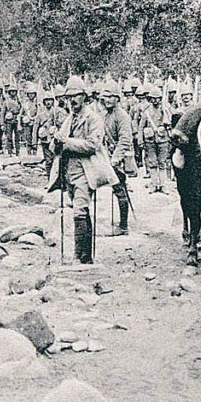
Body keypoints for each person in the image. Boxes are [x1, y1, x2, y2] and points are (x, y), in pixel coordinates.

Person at [50, 76, 119, 264]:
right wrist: (55, 142)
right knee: (80, 210)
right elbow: (56, 143)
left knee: (79, 210)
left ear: (84, 97)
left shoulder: (94, 118)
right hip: (69, 171)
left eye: (76, 96)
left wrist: (66, 142)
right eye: (69, 97)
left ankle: (81, 257)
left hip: (86, 171)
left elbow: (92, 144)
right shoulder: (69, 118)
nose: (72, 100)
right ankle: (83, 255)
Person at [100, 79, 136, 235]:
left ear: (117, 98)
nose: (107, 100)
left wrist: (115, 159)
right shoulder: (106, 115)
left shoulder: (122, 116)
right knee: (116, 190)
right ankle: (122, 223)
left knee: (120, 190)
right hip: (108, 157)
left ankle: (123, 226)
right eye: (105, 97)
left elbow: (125, 140)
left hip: (119, 160)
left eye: (111, 97)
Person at [139, 84, 171, 193]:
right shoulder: (146, 111)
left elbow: (170, 124)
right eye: (154, 98)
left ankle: (163, 185)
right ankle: (153, 184)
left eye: (158, 98)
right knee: (152, 163)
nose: (156, 101)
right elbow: (141, 127)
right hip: (150, 141)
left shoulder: (165, 110)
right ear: (150, 99)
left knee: (162, 163)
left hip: (163, 140)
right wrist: (140, 140)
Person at [4, 85, 21, 156]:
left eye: (14, 91)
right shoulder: (6, 102)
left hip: (16, 119)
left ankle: (18, 151)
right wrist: (2, 124)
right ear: (9, 92)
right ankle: (10, 151)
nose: (13, 93)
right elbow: (2, 113)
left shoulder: (19, 101)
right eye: (11, 91)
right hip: (9, 120)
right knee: (9, 136)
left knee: (17, 136)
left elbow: (22, 110)